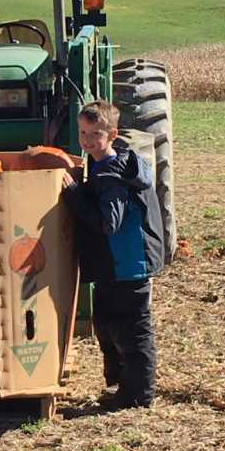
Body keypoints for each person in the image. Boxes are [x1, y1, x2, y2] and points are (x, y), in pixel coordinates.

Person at [62, 100, 164, 409]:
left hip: (128, 264)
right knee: (106, 322)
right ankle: (123, 387)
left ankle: (139, 395)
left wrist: (76, 197)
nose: (88, 140)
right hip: (116, 265)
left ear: (112, 134)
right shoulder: (103, 166)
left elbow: (110, 222)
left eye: (95, 134)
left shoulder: (111, 174)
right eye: (82, 133)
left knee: (133, 330)